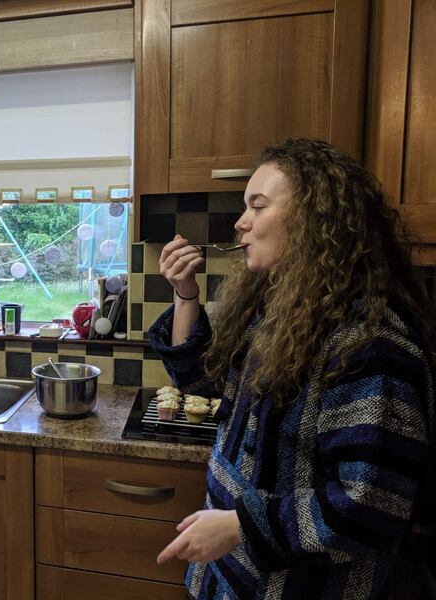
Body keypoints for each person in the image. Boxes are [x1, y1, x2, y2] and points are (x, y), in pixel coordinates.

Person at [149, 138, 436, 600]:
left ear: (314, 219)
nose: (240, 222)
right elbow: (203, 385)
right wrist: (185, 293)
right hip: (238, 582)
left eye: (257, 207)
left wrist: (240, 526)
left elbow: (370, 506)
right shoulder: (283, 315)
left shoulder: (371, 346)